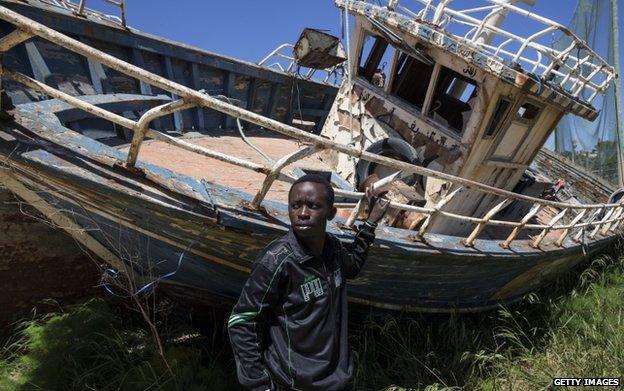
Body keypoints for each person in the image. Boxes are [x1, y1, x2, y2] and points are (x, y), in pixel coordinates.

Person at [228, 174, 390, 391]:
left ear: (331, 213)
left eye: (313, 206)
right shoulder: (278, 261)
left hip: (338, 379)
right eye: (295, 206)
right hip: (294, 383)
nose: (302, 213)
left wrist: (369, 223)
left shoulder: (333, 249)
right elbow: (241, 320)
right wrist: (260, 385)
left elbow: (352, 266)